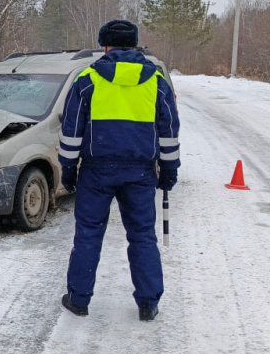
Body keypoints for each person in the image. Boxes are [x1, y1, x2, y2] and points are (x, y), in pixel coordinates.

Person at [57, 19, 180, 321]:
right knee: (142, 236)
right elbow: (169, 132)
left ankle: (79, 299)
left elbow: (71, 132)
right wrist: (168, 169)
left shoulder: (87, 80)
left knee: (88, 234)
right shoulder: (157, 82)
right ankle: (148, 303)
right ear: (135, 44)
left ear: (105, 45)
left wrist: (68, 168)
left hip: (96, 171)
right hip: (140, 173)